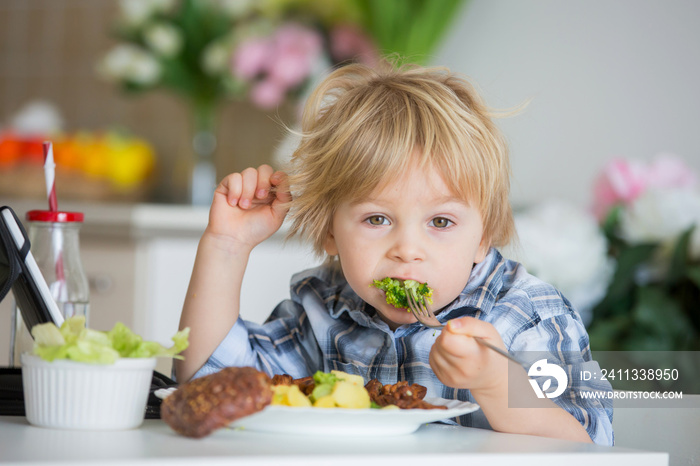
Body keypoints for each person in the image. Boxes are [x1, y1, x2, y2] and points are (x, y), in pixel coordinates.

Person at [175, 61, 613, 445]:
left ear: (484, 236)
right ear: (330, 230)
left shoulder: (526, 317)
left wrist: (497, 382)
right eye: (377, 220)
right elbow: (208, 385)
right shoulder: (326, 307)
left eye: (440, 222)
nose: (407, 251)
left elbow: (589, 446)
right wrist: (226, 247)